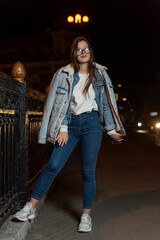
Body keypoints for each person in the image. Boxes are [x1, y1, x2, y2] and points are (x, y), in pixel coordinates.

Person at [14, 36, 126, 232]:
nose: (83, 51)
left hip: (92, 124)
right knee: (53, 165)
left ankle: (85, 216)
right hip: (71, 125)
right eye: (79, 49)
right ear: (74, 53)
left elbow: (106, 104)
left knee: (88, 171)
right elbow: (60, 105)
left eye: (86, 48)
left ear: (90, 52)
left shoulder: (100, 74)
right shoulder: (63, 74)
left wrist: (110, 130)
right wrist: (63, 128)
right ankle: (29, 208)